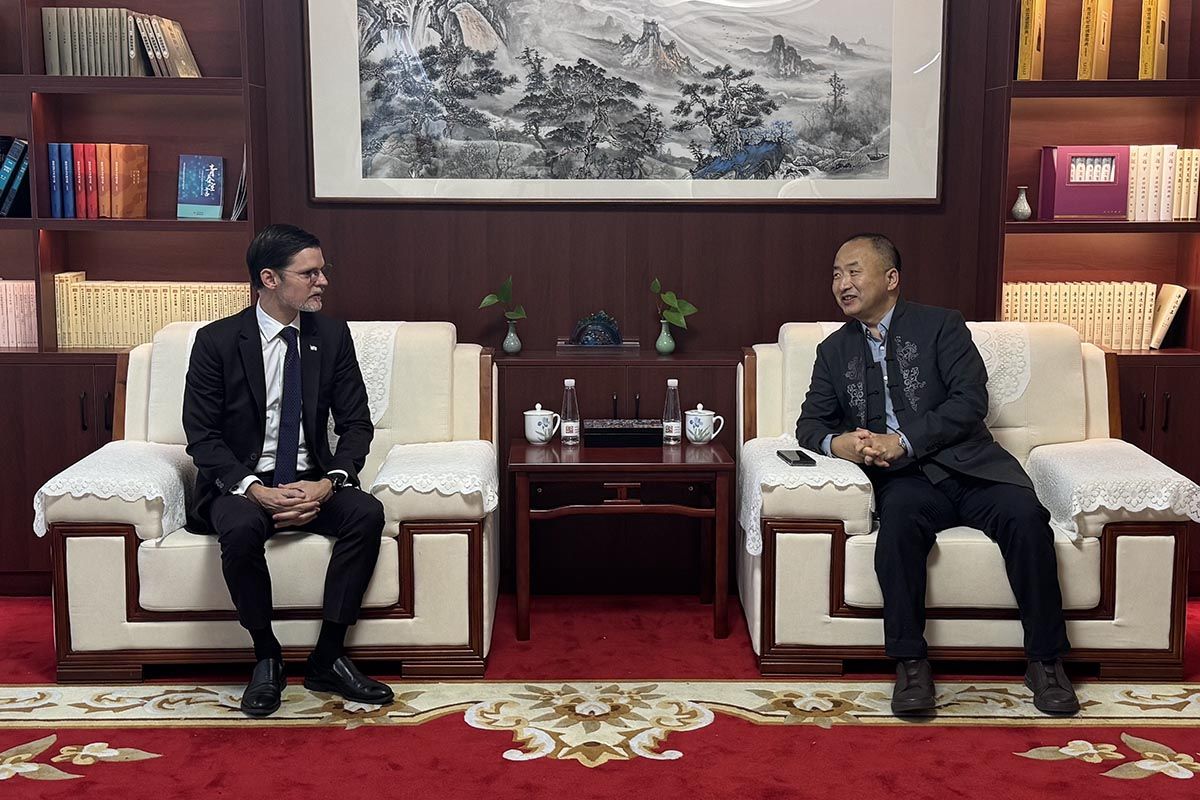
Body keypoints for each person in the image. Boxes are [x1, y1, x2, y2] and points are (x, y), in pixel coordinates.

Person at [795, 233, 1079, 717]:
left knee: (1027, 518)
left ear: (891, 278)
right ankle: (910, 664)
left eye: (854, 272)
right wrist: (837, 444)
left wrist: (902, 440)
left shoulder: (942, 326)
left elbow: (970, 402)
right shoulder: (833, 350)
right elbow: (810, 425)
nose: (843, 284)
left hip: (972, 466)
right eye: (837, 275)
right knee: (898, 529)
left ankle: (1046, 662)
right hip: (903, 480)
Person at [183, 223, 393, 718]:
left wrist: (328, 483)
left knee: (365, 513)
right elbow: (202, 436)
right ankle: (267, 657)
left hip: (311, 480)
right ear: (270, 279)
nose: (323, 281)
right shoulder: (216, 342)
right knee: (238, 528)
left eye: (323, 270)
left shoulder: (332, 337)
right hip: (243, 486)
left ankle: (328, 657)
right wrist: (254, 489)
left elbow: (356, 424)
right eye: (310, 273)